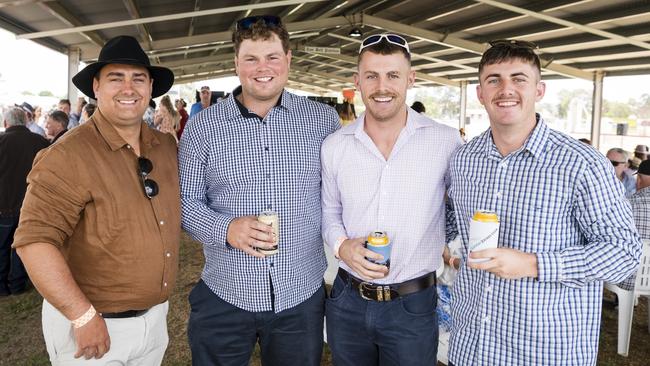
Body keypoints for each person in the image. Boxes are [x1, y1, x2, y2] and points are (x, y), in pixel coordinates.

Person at [447, 39, 641, 366]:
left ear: (539, 90)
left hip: (543, 349)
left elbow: (625, 252)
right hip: (472, 345)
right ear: (480, 93)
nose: (505, 89)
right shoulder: (464, 159)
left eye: (519, 79)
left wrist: (534, 264)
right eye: (493, 80)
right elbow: (451, 222)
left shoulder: (582, 164)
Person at [179, 15, 339, 365]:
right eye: (251, 58)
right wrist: (226, 229)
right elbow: (185, 203)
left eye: (272, 57)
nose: (262, 68)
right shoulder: (203, 126)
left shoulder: (323, 121)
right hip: (226, 291)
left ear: (288, 60)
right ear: (236, 63)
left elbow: (343, 194)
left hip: (300, 293)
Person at [13, 35, 180, 364]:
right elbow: (34, 241)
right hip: (94, 326)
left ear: (150, 89)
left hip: (155, 320)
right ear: (96, 87)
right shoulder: (65, 155)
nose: (128, 88)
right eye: (116, 78)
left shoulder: (165, 146)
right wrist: (82, 315)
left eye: (138, 78)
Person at [321, 33, 462, 365]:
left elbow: (460, 206)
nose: (381, 86)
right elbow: (329, 210)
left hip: (412, 304)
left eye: (393, 75)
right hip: (347, 299)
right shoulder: (336, 144)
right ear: (357, 81)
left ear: (410, 78)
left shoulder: (444, 141)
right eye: (371, 76)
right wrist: (342, 246)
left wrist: (451, 248)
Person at [0, 107, 49, 297]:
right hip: (32, 205)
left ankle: (2, 287)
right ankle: (17, 284)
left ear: (6, 123)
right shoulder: (41, 142)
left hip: (4, 205)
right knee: (23, 248)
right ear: (26, 121)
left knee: (2, 247)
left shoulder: (2, 142)